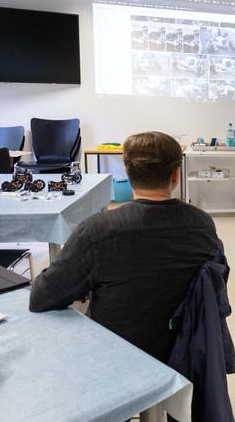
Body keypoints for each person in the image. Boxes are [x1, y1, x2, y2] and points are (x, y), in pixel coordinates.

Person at [29, 131, 223, 363]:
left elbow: (41, 297)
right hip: (185, 354)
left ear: (127, 172)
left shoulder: (97, 230)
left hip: (116, 359)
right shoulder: (203, 225)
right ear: (175, 175)